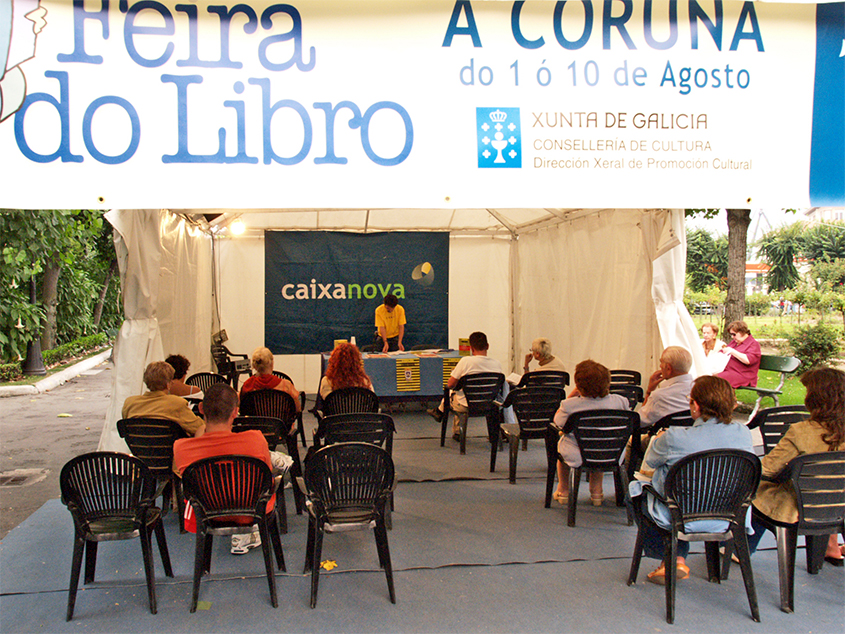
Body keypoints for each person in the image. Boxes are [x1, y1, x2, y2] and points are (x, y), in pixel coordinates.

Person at [631, 375, 753, 584]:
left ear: (695, 405)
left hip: (681, 515)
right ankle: (679, 559)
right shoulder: (743, 433)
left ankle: (671, 557)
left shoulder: (675, 437)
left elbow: (650, 462)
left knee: (635, 492)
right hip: (730, 514)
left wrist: (659, 439)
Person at [173, 383, 292, 555]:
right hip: (250, 511)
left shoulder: (181, 448)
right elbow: (266, 480)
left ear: (200, 409)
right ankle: (278, 459)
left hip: (206, 514)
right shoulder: (255, 439)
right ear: (235, 412)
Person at [746, 367, 845, 565]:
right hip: (838, 506)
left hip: (800, 508)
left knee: (757, 486)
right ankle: (829, 546)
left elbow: (767, 469)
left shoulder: (801, 432)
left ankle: (744, 547)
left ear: (815, 398)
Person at [552, 359, 630, 506]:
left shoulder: (570, 405)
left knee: (562, 444)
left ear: (579, 385)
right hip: (613, 453)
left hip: (579, 454)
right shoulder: (621, 402)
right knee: (600, 441)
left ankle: (564, 491)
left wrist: (571, 397)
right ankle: (597, 493)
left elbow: (559, 422)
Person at [427, 331, 505, 440]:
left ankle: (453, 426)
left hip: (467, 405)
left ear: (471, 348)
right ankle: (440, 413)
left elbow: (450, 384)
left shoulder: (465, 362)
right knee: (459, 392)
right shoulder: (497, 364)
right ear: (487, 346)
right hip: (490, 404)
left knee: (455, 392)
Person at [122, 361, 205, 437]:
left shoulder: (129, 403)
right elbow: (198, 427)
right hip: (170, 451)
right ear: (168, 384)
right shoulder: (176, 403)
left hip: (139, 450)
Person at [639, 347, 694, 428]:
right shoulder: (703, 390)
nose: (660, 366)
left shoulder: (659, 396)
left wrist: (649, 391)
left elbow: (639, 421)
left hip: (667, 439)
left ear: (668, 368)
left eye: (661, 362)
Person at [239, 347, 302, 413]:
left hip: (254, 423)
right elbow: (297, 408)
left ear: (254, 366)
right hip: (280, 423)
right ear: (272, 364)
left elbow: (240, 407)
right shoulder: (286, 386)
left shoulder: (247, 386)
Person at [717, 320, 761, 388]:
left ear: (742, 332)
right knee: (706, 376)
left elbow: (748, 360)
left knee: (715, 380)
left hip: (743, 375)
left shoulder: (753, 344)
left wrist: (732, 351)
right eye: (731, 335)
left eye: (734, 334)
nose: (732, 337)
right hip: (728, 371)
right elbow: (722, 352)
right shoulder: (735, 342)